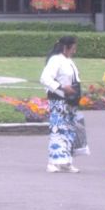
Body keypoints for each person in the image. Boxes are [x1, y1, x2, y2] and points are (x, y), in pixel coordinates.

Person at [40, 35, 82, 173]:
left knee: (69, 131)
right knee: (57, 131)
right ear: (66, 47)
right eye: (73, 48)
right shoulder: (55, 60)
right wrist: (61, 87)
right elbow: (45, 78)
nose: (74, 51)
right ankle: (53, 162)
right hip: (58, 100)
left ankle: (66, 161)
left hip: (70, 101)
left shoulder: (68, 61)